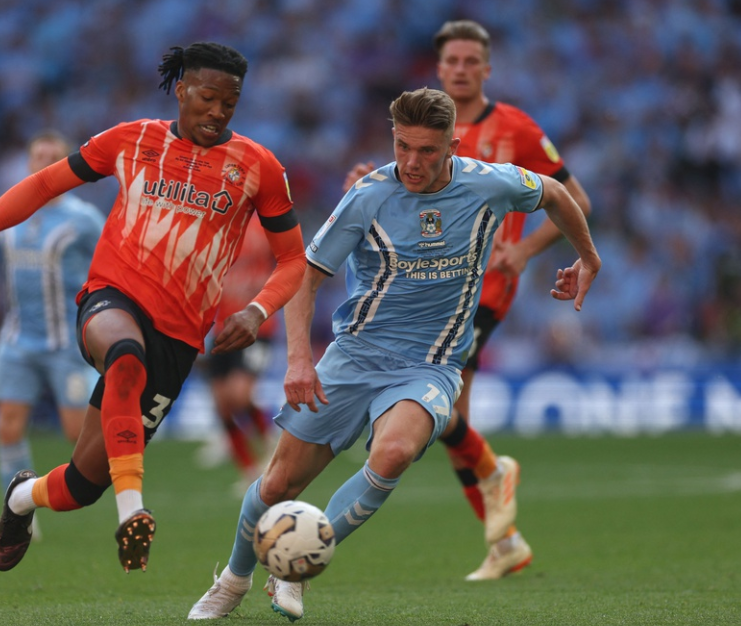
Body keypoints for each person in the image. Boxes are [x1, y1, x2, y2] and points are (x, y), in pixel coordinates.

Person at [187, 87, 600, 621]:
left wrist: (587, 257)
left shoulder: (489, 183)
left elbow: (556, 194)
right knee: (276, 485)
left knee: (394, 452)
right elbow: (305, 277)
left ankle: (300, 564)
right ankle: (233, 580)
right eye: (403, 146)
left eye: (428, 151)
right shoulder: (368, 194)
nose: (412, 161)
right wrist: (297, 361)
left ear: (454, 145)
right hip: (355, 356)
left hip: (430, 364)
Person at [0, 42, 306, 575]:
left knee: (82, 483)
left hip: (179, 339)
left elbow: (292, 258)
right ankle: (132, 512)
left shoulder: (259, 167)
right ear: (180, 89)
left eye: (230, 103)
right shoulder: (132, 140)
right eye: (207, 97)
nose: (218, 112)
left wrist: (257, 311)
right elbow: (44, 184)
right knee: (125, 355)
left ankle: (21, 498)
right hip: (110, 300)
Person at [343, 19, 593, 581]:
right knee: (450, 417)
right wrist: (369, 183)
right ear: (438, 68)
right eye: (450, 61)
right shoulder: (422, 129)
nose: (459, 69)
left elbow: (573, 198)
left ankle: (496, 493)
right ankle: (502, 532)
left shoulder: (516, 129)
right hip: (424, 296)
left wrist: (526, 251)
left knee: (443, 414)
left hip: (482, 291)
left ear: (486, 68)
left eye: (469, 61)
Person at [0, 130, 104, 540]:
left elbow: (110, 260)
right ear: (28, 163)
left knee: (77, 433)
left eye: (52, 156)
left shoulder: (84, 220)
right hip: (17, 342)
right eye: (37, 155)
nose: (44, 161)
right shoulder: (13, 216)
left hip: (67, 342)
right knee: (9, 427)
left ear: (66, 165)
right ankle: (21, 516)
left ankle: (117, 482)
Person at [202, 218, 279, 495]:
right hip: (218, 325)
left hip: (256, 324)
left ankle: (271, 444)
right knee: (222, 404)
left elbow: (291, 259)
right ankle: (248, 471)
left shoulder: (266, 223)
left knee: (240, 395)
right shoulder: (212, 224)